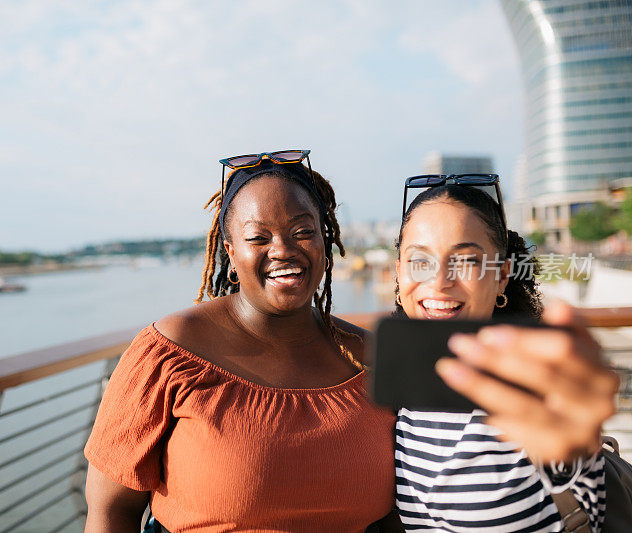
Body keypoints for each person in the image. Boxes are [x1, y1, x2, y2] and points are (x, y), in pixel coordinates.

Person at [83, 151, 397, 532]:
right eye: (258, 237)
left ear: (325, 238)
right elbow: (111, 512)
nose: (283, 249)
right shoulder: (170, 352)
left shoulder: (372, 358)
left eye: (303, 232)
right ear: (230, 252)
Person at [391, 178, 619, 532]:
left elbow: (574, 461)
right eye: (419, 260)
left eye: (465, 260)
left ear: (501, 276)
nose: (438, 281)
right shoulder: (396, 386)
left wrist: (576, 438)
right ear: (398, 272)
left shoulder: (531, 384)